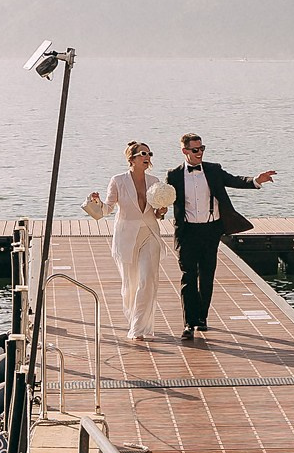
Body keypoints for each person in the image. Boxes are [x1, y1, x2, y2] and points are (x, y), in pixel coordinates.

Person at [164, 133, 275, 340]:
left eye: (202, 148)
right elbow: (167, 199)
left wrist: (256, 181)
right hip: (187, 232)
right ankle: (189, 323)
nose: (200, 153)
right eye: (195, 150)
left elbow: (234, 180)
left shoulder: (213, 170)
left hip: (210, 230)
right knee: (188, 277)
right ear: (185, 151)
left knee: (206, 276)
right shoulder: (174, 175)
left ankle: (202, 318)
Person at [84, 141, 171, 343]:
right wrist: (96, 202)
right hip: (126, 236)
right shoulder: (118, 180)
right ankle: (135, 319)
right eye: (143, 153)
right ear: (131, 158)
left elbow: (156, 213)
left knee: (147, 280)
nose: (147, 157)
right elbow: (107, 210)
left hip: (150, 233)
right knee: (130, 284)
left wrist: (161, 211)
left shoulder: (154, 181)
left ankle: (138, 328)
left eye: (149, 153)